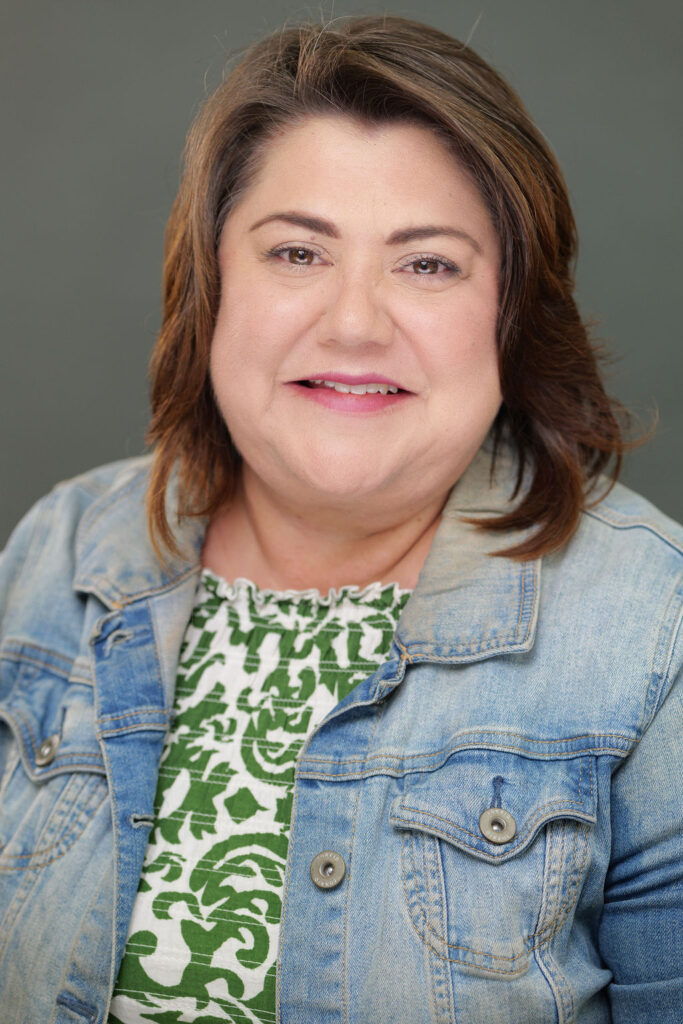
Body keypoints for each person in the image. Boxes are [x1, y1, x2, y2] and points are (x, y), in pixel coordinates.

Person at [0, 13, 681, 1023]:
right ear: (211, 288)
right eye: (296, 253)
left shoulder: (652, 625)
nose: (354, 322)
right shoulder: (55, 551)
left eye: (427, 264)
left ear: (509, 314)